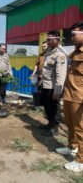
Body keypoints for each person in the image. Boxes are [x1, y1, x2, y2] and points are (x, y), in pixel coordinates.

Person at [56, 22, 83, 172]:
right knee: (70, 125)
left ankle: (80, 160)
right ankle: (72, 148)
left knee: (81, 128)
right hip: (69, 95)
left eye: (74, 35)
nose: (71, 38)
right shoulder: (75, 53)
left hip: (79, 97)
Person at [40, 30, 68, 137]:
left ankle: (54, 129)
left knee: (54, 108)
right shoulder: (49, 52)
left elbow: (61, 74)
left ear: (57, 39)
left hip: (53, 87)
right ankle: (49, 124)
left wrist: (58, 90)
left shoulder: (60, 54)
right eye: (47, 39)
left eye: (50, 40)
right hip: (46, 85)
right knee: (47, 106)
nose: (48, 42)